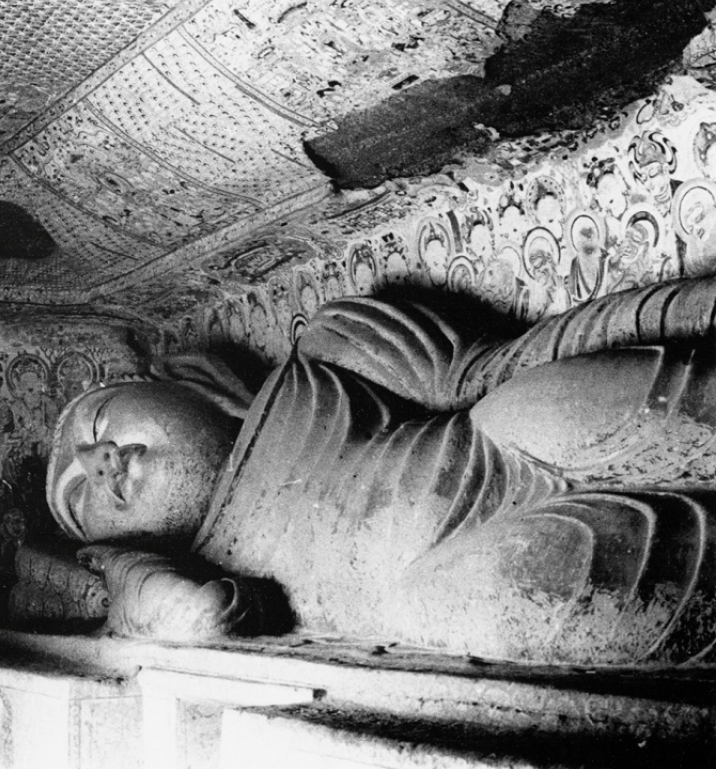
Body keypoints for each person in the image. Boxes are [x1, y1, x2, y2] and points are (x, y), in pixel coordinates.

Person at [47, 278, 716, 665]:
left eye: (99, 421)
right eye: (81, 501)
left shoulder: (320, 357)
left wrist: (689, 305)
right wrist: (109, 564)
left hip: (501, 449)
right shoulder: (220, 582)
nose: (94, 462)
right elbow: (194, 617)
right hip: (459, 583)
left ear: (182, 382)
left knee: (534, 411)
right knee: (466, 602)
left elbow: (505, 362)